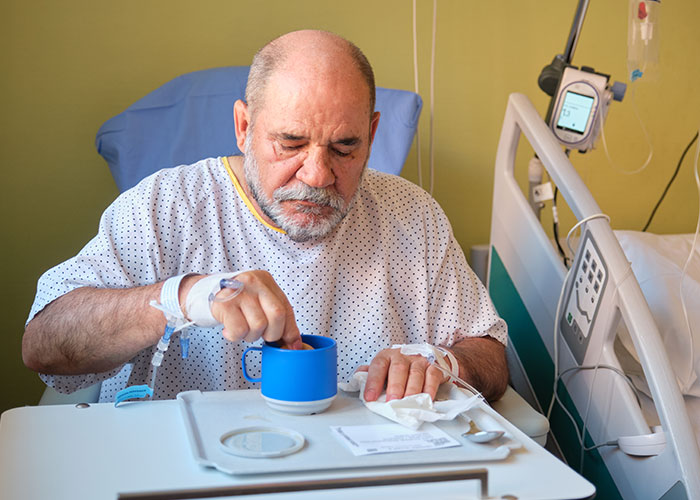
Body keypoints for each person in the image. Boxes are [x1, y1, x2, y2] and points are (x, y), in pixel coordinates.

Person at [23, 30, 508, 404]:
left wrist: (443, 364)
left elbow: (489, 353)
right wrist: (183, 297)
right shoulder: (166, 207)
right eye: (291, 143)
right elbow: (43, 344)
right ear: (243, 127)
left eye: (345, 146)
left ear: (372, 132)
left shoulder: (411, 216)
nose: (317, 175)